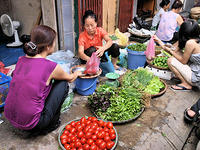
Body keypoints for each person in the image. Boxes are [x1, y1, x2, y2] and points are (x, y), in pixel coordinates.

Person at [4, 25, 82, 135]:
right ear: (48, 46)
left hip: (11, 117)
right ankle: (52, 124)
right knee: (62, 84)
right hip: (33, 124)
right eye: (54, 42)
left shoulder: (21, 60)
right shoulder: (51, 66)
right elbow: (70, 78)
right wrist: (77, 72)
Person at [153, 20, 200, 91]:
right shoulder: (194, 39)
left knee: (170, 60)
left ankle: (186, 84)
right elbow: (174, 49)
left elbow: (183, 61)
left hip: (196, 78)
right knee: (177, 54)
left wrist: (170, 51)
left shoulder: (190, 43)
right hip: (194, 68)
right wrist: (159, 41)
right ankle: (184, 77)